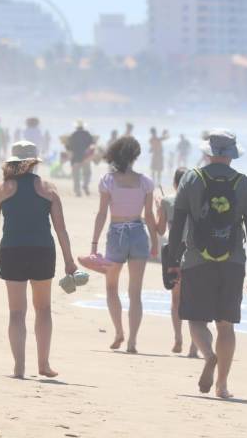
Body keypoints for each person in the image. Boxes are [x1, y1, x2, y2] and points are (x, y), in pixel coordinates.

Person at [166, 130, 247, 399]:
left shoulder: (191, 178)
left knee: (196, 318)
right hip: (233, 261)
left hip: (197, 259)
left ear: (208, 151)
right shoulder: (243, 183)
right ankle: (222, 385)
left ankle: (208, 355)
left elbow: (179, 224)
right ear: (232, 154)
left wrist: (172, 259)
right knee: (226, 324)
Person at [0, 141, 78, 379]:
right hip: (42, 251)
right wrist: (69, 261)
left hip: (13, 251)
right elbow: (61, 229)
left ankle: (19, 367)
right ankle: (43, 365)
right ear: (34, 162)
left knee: (16, 313)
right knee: (43, 309)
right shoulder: (48, 188)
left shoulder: (2, 189)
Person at [89, 136, 159, 353]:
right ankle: (132, 341)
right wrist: (155, 242)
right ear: (135, 156)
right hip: (138, 233)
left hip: (117, 234)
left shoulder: (107, 181)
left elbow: (102, 213)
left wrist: (94, 243)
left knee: (111, 287)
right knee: (135, 292)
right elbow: (149, 216)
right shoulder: (145, 181)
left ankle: (119, 331)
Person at [156, 167, 198, 357]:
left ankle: (178, 338)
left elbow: (160, 229)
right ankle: (194, 345)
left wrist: (159, 207)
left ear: (174, 183)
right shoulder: (197, 201)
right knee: (194, 298)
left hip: (174, 251)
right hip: (194, 251)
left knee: (176, 298)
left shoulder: (167, 201)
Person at [66, 120, 95, 197]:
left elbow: (68, 147)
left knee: (76, 175)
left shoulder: (73, 135)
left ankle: (77, 190)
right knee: (87, 173)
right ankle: (85, 184)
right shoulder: (87, 134)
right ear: (83, 127)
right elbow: (92, 145)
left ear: (76, 127)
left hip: (75, 158)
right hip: (86, 157)